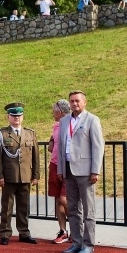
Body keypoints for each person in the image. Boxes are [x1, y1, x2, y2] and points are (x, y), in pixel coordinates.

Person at [58, 90, 105, 253]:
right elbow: (61, 146)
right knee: (72, 209)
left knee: (88, 209)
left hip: (86, 171)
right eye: (72, 101)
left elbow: (98, 146)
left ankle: (88, 244)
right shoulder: (64, 121)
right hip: (69, 169)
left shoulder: (92, 120)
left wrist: (95, 170)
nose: (74, 104)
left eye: (77, 101)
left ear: (84, 102)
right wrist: (60, 169)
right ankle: (76, 242)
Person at [0, 102, 39, 245]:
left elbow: (35, 156)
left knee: (24, 206)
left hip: (25, 175)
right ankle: (5, 233)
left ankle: (24, 232)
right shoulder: (2, 134)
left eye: (19, 115)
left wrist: (36, 175)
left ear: (22, 117)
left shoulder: (30, 133)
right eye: (13, 116)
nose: (16, 118)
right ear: (8, 117)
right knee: (6, 206)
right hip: (9, 176)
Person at [48, 100, 71, 244]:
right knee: (58, 199)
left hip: (67, 165)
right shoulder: (56, 126)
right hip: (55, 164)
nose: (52, 114)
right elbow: (52, 145)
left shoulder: (71, 125)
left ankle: (76, 228)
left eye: (53, 111)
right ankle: (63, 231)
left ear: (59, 112)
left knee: (64, 199)